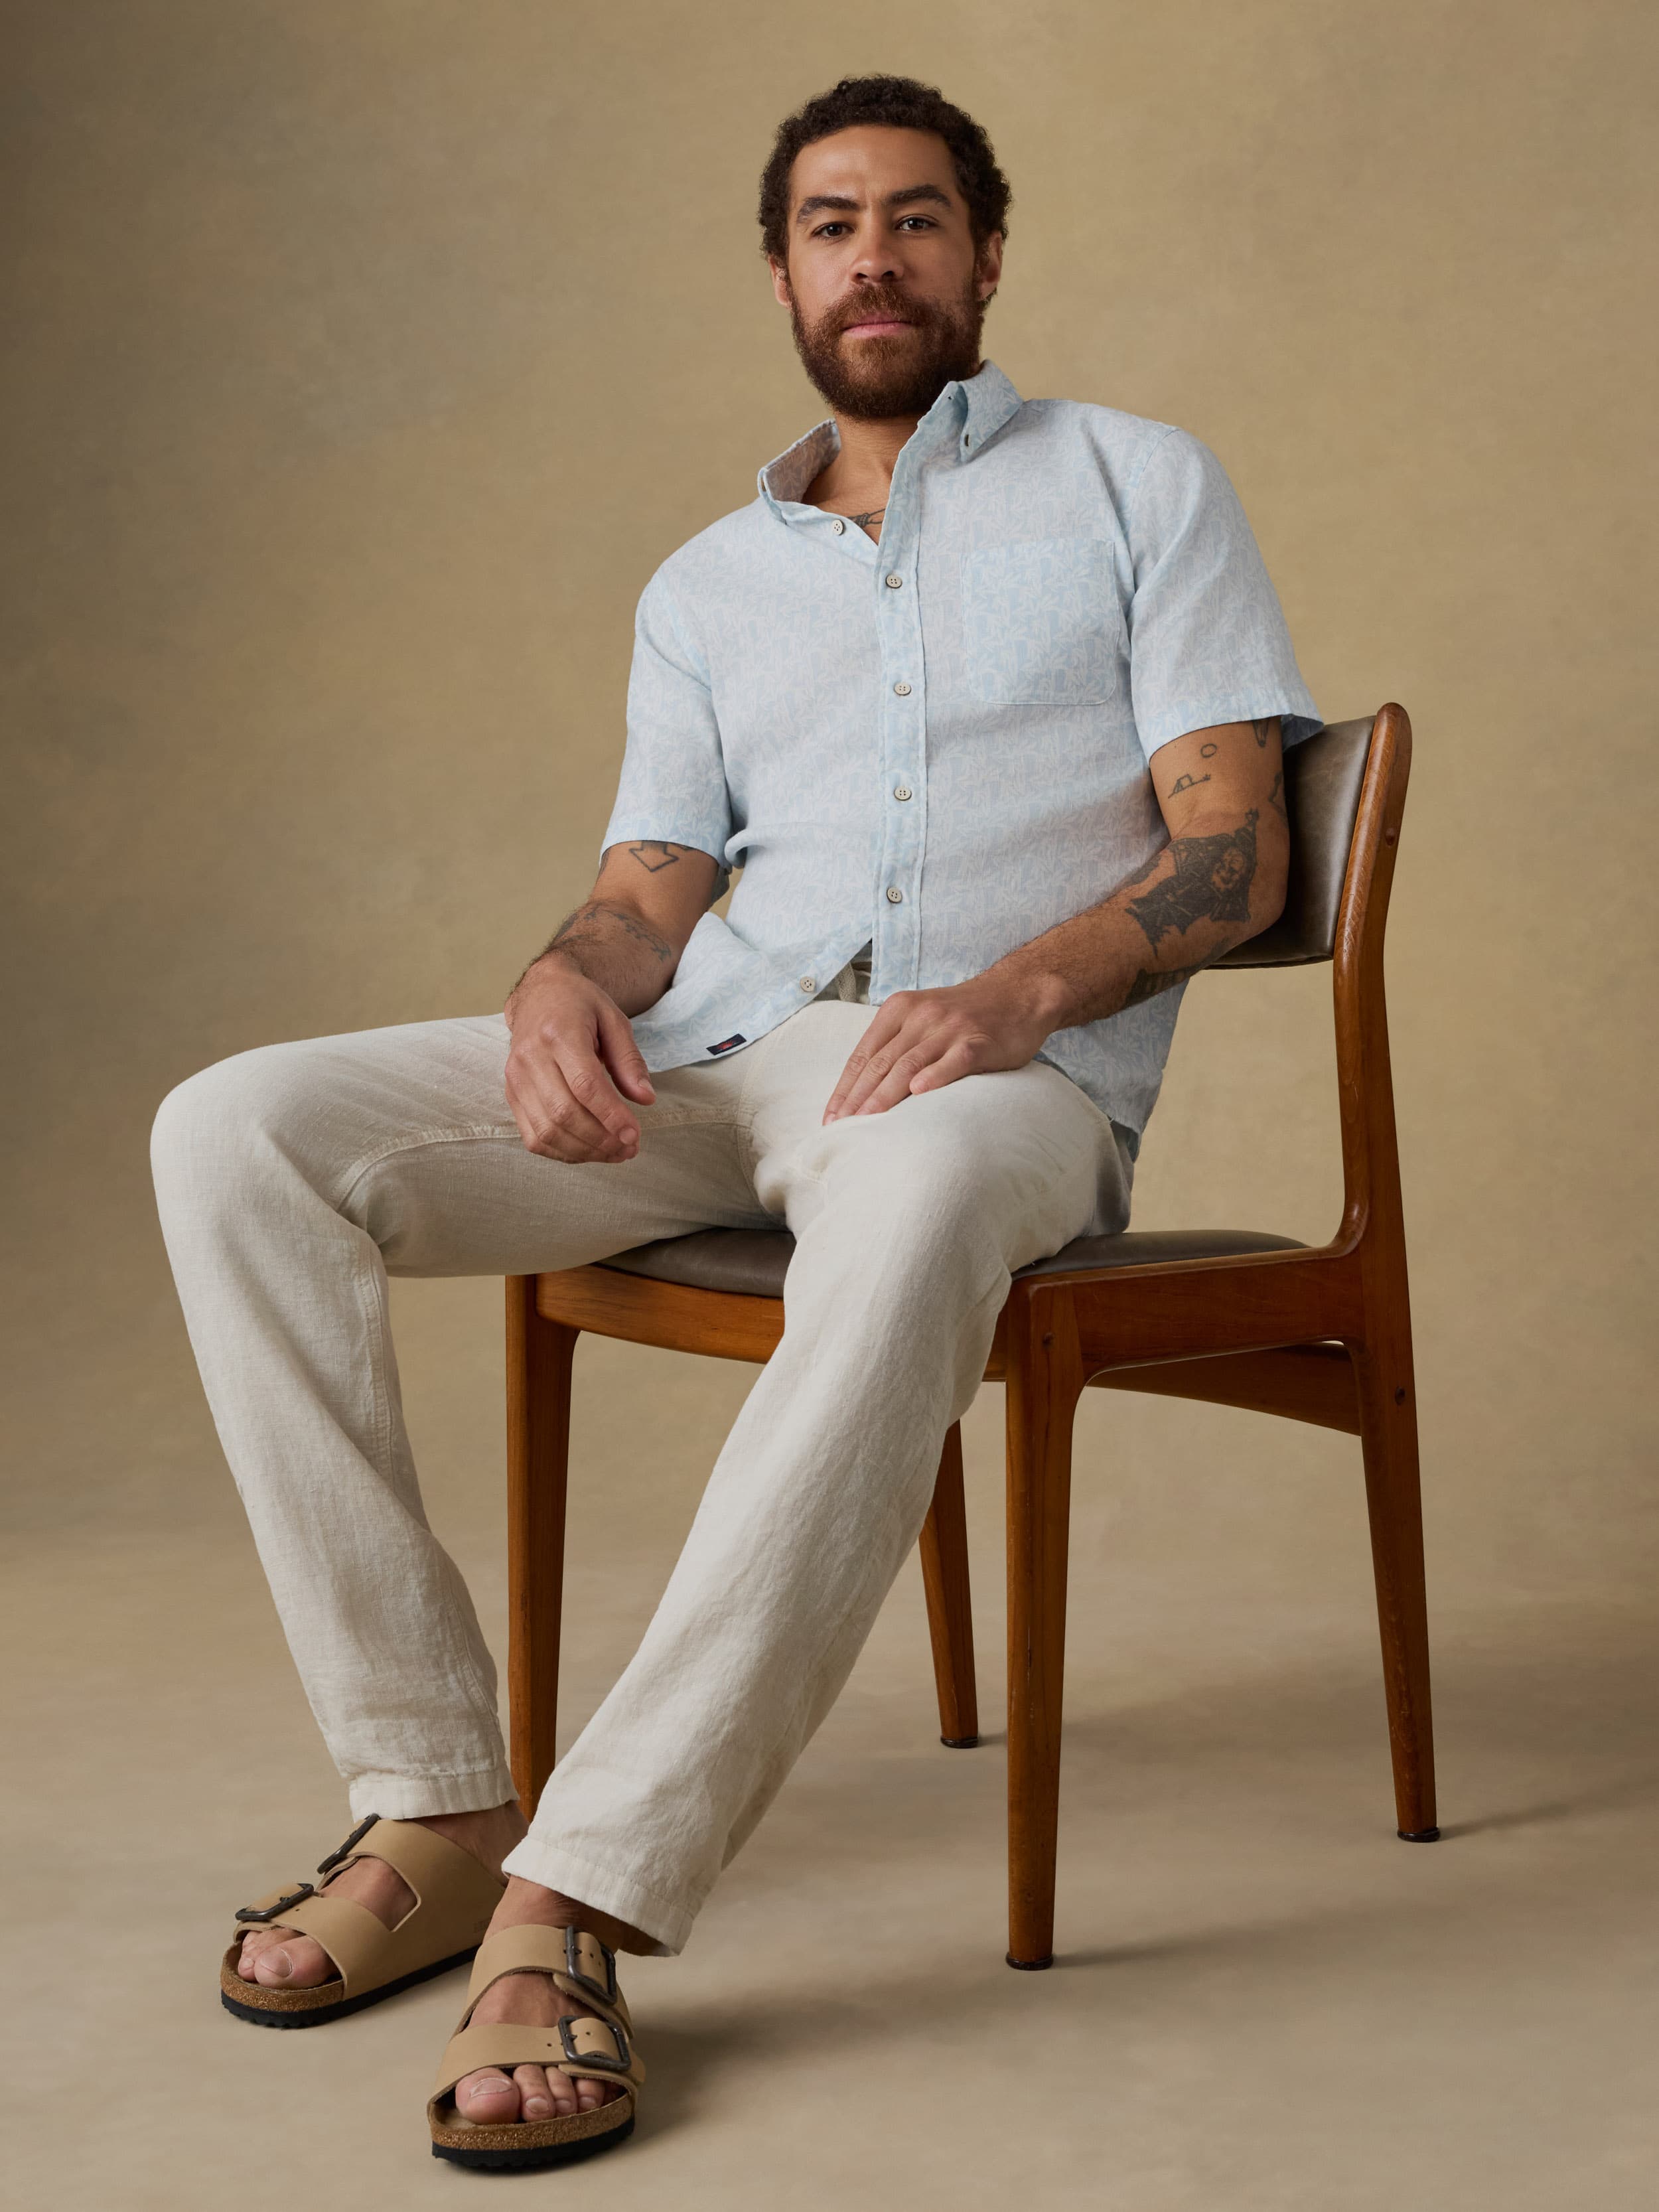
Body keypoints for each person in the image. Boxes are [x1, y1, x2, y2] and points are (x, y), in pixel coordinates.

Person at [152, 73, 1319, 2170]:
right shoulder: (703, 586)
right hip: (709, 1068)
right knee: (233, 1130)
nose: (875, 256)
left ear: (983, 256)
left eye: (917, 218)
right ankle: (433, 1797)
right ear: (781, 274)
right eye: (829, 224)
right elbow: (646, 893)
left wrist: (1013, 993)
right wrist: (557, 984)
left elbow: (1232, 856)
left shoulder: (1136, 482)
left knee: (911, 1211)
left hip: (995, 1088)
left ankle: (577, 1892)